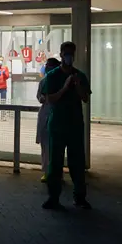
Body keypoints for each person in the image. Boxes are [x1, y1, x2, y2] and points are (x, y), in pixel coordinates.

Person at [41, 42, 92, 210]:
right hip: (57, 125)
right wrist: (65, 87)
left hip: (75, 125)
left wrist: (76, 85)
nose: (69, 56)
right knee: (55, 163)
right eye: (66, 53)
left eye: (71, 53)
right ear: (61, 54)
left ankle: (80, 196)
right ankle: (53, 197)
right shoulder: (52, 76)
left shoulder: (80, 76)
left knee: (77, 162)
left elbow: (85, 98)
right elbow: (50, 99)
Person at [36, 58, 61, 183]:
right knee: (45, 146)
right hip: (45, 113)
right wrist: (41, 98)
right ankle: (46, 171)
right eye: (47, 66)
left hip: (57, 115)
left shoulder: (62, 82)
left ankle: (56, 172)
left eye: (50, 66)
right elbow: (39, 95)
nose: (47, 68)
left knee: (56, 147)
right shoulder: (44, 81)